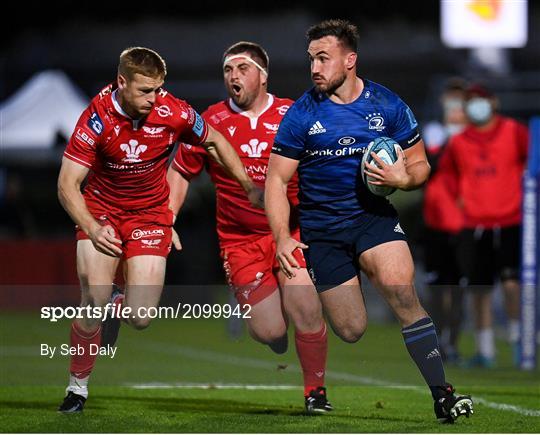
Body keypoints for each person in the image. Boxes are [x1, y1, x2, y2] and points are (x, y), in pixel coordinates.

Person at [265, 19, 473, 423]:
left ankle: (443, 394)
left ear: (350, 59)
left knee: (403, 294)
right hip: (323, 232)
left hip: (372, 219)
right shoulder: (301, 115)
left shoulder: (387, 105)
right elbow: (276, 179)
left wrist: (402, 178)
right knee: (351, 329)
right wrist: (281, 237)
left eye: (323, 58)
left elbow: (420, 166)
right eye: (311, 59)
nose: (315, 68)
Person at [57, 47, 260, 413]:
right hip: (101, 211)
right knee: (93, 299)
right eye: (145, 91)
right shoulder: (96, 119)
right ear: (122, 82)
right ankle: (78, 387)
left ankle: (120, 305)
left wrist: (247, 185)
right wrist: (89, 225)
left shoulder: (173, 111)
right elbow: (67, 185)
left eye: (158, 89)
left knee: (141, 317)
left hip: (150, 215)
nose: (154, 99)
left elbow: (214, 139)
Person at [167, 41, 331, 413]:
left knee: (305, 305)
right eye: (228, 70)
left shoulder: (293, 114)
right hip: (239, 242)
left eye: (242, 68)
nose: (233, 76)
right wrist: (167, 218)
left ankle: (315, 393)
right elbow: (180, 172)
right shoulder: (210, 122)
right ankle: (277, 335)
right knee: (269, 331)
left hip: (289, 233)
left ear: (262, 76)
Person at [443, 84, 528, 368]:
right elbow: (450, 176)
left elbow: (531, 167)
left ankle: (520, 342)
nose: (476, 106)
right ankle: (485, 349)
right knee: (479, 288)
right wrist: (462, 202)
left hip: (511, 220)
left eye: (481, 100)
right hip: (474, 223)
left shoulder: (514, 132)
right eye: (471, 102)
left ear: (494, 102)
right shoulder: (458, 141)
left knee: (512, 283)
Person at [421, 78, 468, 363]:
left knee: (460, 288)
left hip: (465, 221)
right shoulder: (435, 132)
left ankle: (453, 342)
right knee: (437, 287)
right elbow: (431, 166)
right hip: (435, 220)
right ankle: (437, 340)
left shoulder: (474, 137)